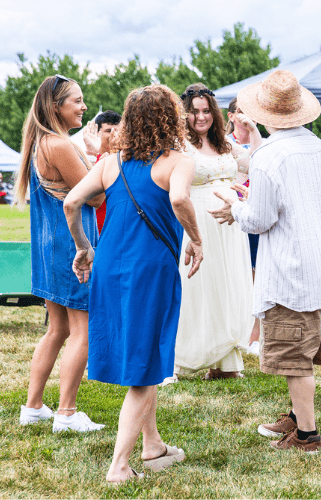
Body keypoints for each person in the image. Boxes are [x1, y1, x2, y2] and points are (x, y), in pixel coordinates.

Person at [63, 84, 203, 483]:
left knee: (147, 354)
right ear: (172, 118)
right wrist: (195, 238)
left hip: (110, 267)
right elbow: (179, 201)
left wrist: (83, 247)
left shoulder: (111, 162)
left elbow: (71, 203)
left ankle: (153, 446)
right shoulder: (178, 161)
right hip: (150, 270)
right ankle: (119, 466)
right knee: (145, 364)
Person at [210, 70, 321, 452]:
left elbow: (261, 219)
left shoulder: (268, 156)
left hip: (290, 269)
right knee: (305, 349)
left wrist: (235, 206)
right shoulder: (317, 146)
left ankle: (307, 435)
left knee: (294, 358)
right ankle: (298, 417)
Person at [14, 75, 105, 432]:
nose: (84, 107)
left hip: (50, 246)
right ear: (56, 107)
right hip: (72, 245)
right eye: (77, 101)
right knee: (81, 328)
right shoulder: (60, 145)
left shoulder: (42, 142)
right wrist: (104, 160)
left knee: (58, 329)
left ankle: (33, 407)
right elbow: (95, 196)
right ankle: (67, 413)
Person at [162, 83, 258, 383]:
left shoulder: (226, 145)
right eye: (193, 112)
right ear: (184, 115)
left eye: (206, 111)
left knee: (225, 285)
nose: (200, 117)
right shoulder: (178, 145)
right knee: (196, 288)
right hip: (196, 221)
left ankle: (224, 361)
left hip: (229, 226)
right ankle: (178, 360)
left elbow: (257, 164)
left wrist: (252, 130)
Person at [226, 97, 261, 356]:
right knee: (237, 271)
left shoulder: (266, 144)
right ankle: (234, 328)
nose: (247, 116)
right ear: (230, 116)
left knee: (260, 272)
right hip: (231, 214)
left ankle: (256, 335)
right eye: (241, 111)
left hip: (259, 212)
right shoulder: (223, 144)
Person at [83, 110, 122, 233]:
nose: (114, 134)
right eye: (109, 131)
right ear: (97, 134)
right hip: (97, 232)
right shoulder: (88, 162)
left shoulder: (126, 161)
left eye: (118, 130)